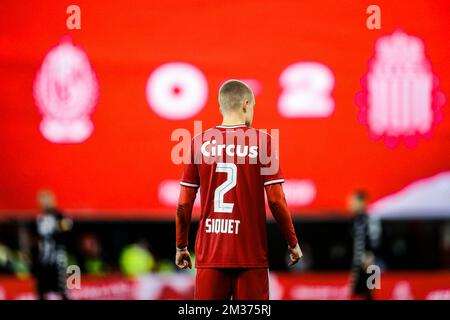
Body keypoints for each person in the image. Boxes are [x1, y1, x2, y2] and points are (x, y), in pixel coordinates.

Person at [174, 80, 302, 300]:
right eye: (252, 107)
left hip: (211, 256)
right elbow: (276, 201)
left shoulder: (198, 142)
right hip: (250, 257)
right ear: (245, 104)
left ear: (221, 106)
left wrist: (181, 246)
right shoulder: (263, 142)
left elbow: (184, 204)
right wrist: (292, 243)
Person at [32, 190, 72, 300]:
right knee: (43, 283)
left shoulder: (60, 215)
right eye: (42, 200)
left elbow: (67, 228)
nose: (45, 203)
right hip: (44, 255)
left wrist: (55, 228)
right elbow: (37, 236)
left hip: (58, 253)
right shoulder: (40, 218)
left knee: (61, 284)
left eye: (47, 199)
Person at [348, 190, 375, 300]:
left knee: (371, 292)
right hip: (358, 266)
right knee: (358, 293)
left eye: (353, 202)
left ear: (362, 202)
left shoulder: (371, 220)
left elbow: (375, 241)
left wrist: (370, 256)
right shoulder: (354, 221)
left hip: (372, 265)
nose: (350, 205)